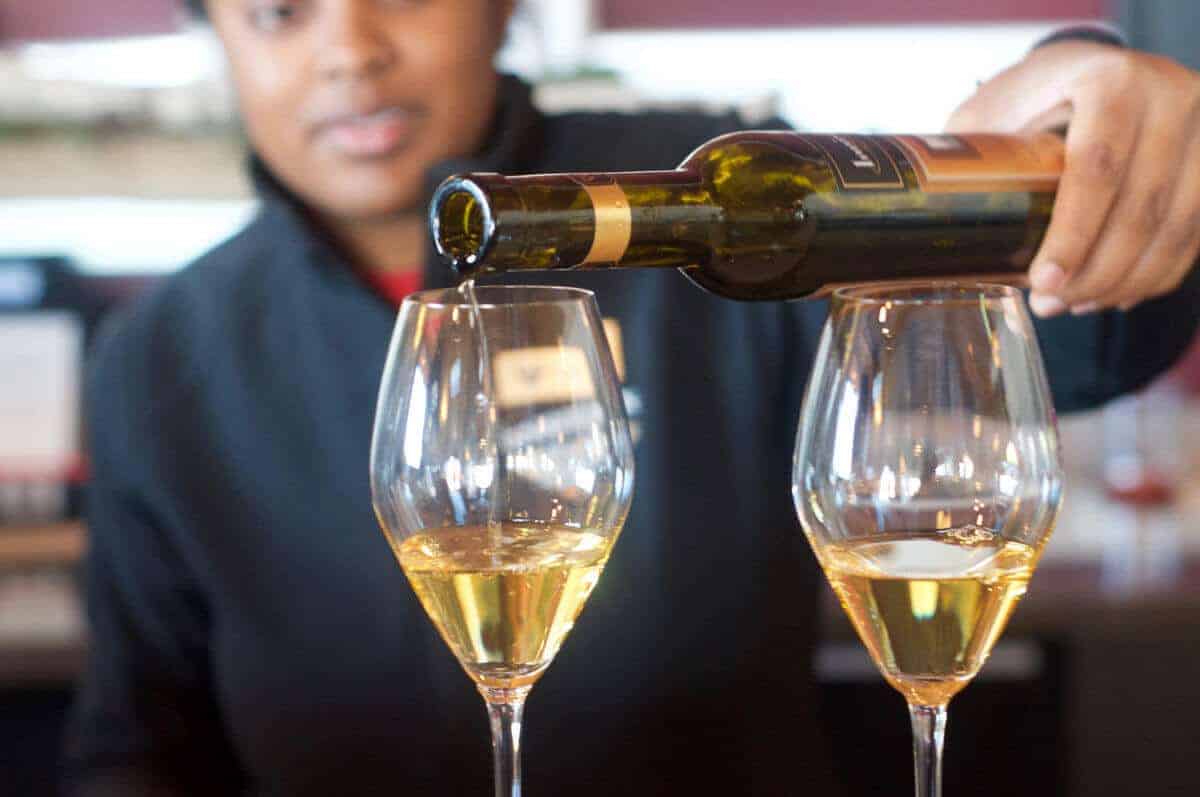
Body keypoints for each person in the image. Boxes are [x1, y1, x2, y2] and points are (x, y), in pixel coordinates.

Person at [63, 2, 1200, 794]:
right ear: (213, 36)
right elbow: (137, 743)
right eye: (276, 13)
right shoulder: (160, 353)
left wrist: (1106, 115)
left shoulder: (702, 206)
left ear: (504, 9)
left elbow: (1079, 339)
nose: (350, 51)